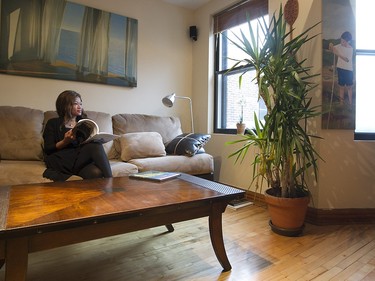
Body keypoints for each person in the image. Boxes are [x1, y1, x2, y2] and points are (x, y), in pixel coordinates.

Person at [43, 90, 112, 181]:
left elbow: (87, 146)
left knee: (96, 172)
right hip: (62, 159)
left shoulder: (84, 123)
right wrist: (64, 142)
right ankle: (111, 182)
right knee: (94, 147)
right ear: (65, 106)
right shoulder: (53, 123)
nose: (80, 107)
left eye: (81, 104)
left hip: (80, 160)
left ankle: (104, 188)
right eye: (76, 104)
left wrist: (97, 139)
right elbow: (48, 149)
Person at [329, 31, 354, 106]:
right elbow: (331, 49)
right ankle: (341, 103)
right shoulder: (339, 46)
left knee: (349, 87)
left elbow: (346, 59)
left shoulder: (350, 49)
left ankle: (350, 103)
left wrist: (337, 53)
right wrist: (330, 45)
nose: (342, 42)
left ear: (348, 41)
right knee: (341, 87)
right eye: (341, 40)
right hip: (340, 69)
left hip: (349, 70)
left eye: (343, 41)